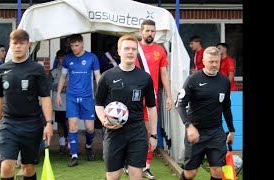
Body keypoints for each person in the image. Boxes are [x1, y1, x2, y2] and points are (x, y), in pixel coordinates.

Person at [95, 34, 158, 180]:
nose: (130, 52)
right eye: (127, 48)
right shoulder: (107, 76)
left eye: (133, 49)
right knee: (113, 176)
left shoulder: (145, 78)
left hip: (137, 131)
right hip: (114, 132)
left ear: (137, 52)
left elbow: (151, 107)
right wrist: (104, 119)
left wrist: (153, 134)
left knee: (136, 175)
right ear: (119, 51)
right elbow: (98, 104)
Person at [0, 29, 54, 180]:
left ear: (28, 45)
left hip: (31, 124)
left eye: (22, 43)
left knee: (28, 168)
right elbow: (0, 97)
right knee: (6, 165)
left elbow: (45, 97)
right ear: (10, 45)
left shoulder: (37, 69)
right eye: (15, 43)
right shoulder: (2, 69)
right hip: (8, 124)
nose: (18, 47)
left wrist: (48, 123)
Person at [175, 46, 235, 180]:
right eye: (211, 61)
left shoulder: (224, 81)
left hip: (216, 132)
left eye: (217, 61)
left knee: (217, 170)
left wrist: (231, 130)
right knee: (191, 173)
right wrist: (189, 126)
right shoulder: (192, 79)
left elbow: (226, 107)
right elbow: (180, 103)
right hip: (196, 132)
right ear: (203, 61)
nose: (214, 65)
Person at [127, 19, 172, 179]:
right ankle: (129, 163)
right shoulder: (133, 48)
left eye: (153, 31)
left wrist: (169, 95)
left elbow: (164, 74)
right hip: (132, 97)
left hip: (151, 97)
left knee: (150, 131)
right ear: (141, 32)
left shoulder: (160, 50)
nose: (150, 33)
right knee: (130, 130)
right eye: (147, 31)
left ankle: (146, 166)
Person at [56, 34, 101, 167]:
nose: (74, 48)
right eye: (72, 46)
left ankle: (88, 146)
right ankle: (74, 155)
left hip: (88, 97)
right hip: (72, 97)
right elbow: (63, 77)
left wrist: (102, 93)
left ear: (82, 44)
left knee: (90, 128)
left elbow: (98, 76)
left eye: (76, 45)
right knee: (73, 126)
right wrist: (58, 94)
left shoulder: (92, 57)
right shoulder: (67, 59)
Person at [48, 49, 69, 154]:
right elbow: (48, 85)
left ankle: (70, 145)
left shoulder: (71, 70)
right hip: (58, 103)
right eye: (60, 58)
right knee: (60, 124)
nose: (62, 60)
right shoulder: (53, 71)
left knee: (70, 123)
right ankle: (61, 144)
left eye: (64, 57)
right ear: (57, 59)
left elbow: (75, 84)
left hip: (69, 101)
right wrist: (59, 86)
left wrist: (66, 86)